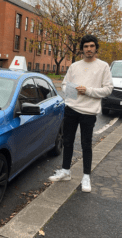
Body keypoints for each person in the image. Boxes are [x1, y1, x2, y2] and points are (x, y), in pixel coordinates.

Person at [48, 35, 113, 192]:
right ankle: (65, 171)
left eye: (91, 46)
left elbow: (108, 89)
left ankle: (86, 177)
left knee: (86, 144)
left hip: (89, 112)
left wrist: (88, 90)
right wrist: (70, 90)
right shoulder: (75, 66)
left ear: (96, 48)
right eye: (86, 46)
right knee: (67, 141)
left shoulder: (103, 66)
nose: (89, 49)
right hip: (71, 108)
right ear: (82, 49)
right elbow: (64, 84)